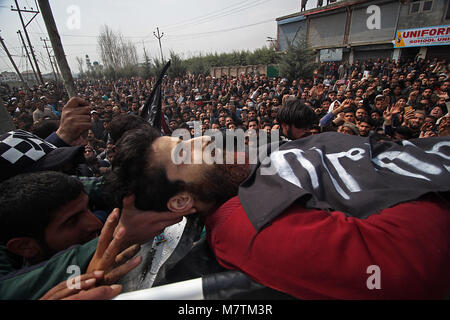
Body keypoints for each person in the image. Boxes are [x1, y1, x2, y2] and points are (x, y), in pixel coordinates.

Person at [107, 127, 450, 299]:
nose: (204, 140)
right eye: (185, 152)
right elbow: (406, 266)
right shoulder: (246, 226)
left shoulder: (250, 170)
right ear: (181, 202)